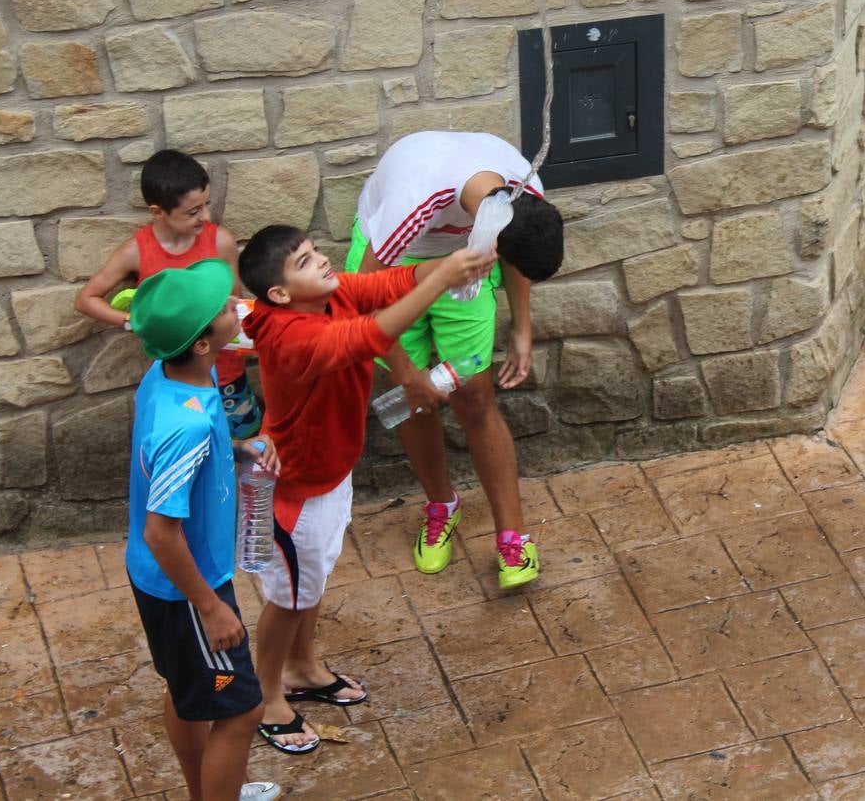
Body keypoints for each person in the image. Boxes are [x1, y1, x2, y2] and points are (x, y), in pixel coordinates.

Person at [237, 224, 495, 753]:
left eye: (315, 251)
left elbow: (393, 283)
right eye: (305, 261)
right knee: (286, 600)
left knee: (309, 586)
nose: (323, 261)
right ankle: (267, 697)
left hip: (331, 477)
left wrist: (450, 271)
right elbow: (370, 337)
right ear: (281, 295)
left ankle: (304, 669)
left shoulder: (339, 295)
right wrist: (442, 276)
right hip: (296, 494)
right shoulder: (289, 336)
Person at [344, 131, 564, 589]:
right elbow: (362, 302)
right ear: (494, 242)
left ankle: (513, 538)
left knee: (474, 396)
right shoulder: (416, 199)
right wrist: (408, 377)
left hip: (465, 262)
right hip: (392, 264)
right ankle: (441, 504)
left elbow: (518, 258)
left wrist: (522, 328)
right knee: (414, 401)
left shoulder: (524, 191)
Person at [124, 259, 283, 801]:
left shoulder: (177, 374)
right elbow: (161, 533)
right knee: (242, 709)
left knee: (189, 692)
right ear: (201, 342)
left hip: (172, 582)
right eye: (221, 308)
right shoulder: (185, 426)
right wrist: (211, 608)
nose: (233, 305)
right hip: (187, 589)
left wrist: (237, 450)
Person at [76, 149, 264, 439]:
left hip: (227, 375)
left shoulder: (221, 242)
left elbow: (233, 306)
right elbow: (86, 299)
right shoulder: (136, 251)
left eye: (206, 204)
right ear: (157, 211)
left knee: (246, 448)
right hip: (177, 380)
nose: (205, 216)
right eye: (193, 211)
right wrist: (133, 321)